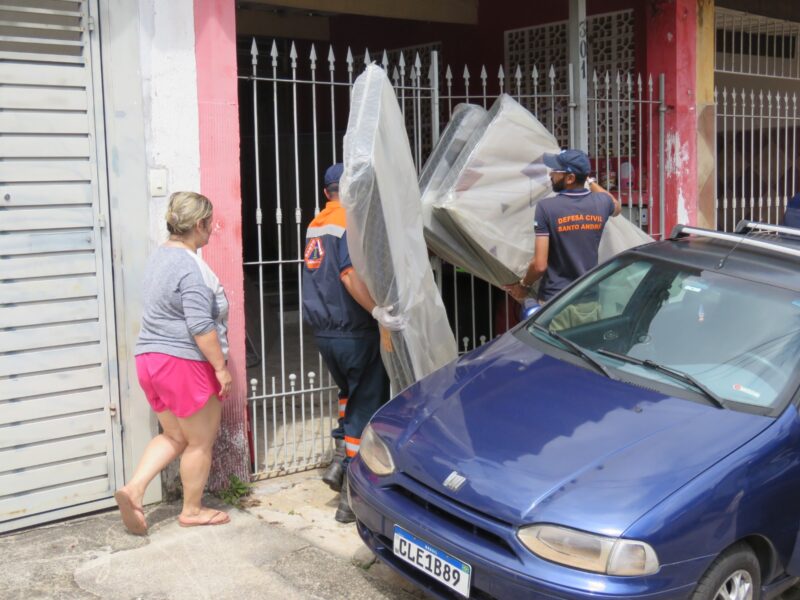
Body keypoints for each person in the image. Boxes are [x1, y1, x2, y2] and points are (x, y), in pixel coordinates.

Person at [114, 191, 233, 535]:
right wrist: (221, 369)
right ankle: (192, 510)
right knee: (200, 441)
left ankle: (134, 489)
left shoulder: (159, 257)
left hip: (149, 360)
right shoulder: (189, 267)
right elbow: (200, 325)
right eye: (210, 224)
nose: (212, 230)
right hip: (182, 363)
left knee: (175, 435)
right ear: (199, 225)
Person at [302, 163, 404, 523]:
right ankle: (351, 495)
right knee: (366, 407)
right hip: (355, 331)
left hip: (326, 335)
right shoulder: (349, 220)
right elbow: (348, 275)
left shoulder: (317, 223)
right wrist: (377, 309)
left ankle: (337, 464)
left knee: (349, 397)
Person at [505, 149, 621, 304]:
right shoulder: (601, 203)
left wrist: (524, 285)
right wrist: (589, 180)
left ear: (570, 178)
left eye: (555, 171)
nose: (550, 175)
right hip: (588, 299)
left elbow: (539, 265)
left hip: (554, 302)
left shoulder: (546, 208)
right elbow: (616, 206)